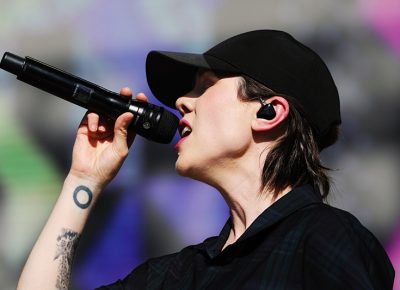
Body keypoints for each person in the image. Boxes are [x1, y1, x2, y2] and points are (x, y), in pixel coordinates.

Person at [16, 30, 394, 290]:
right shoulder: (179, 274)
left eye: (206, 86)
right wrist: (84, 180)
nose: (181, 101)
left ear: (268, 113)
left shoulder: (325, 238)